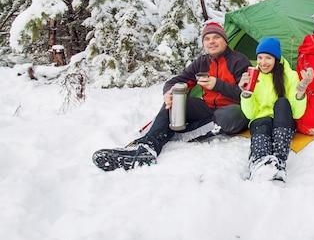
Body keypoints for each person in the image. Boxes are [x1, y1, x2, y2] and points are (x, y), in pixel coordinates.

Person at [92, 22, 251, 171]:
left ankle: (174, 135)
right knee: (176, 99)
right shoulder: (201, 62)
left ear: (225, 40)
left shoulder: (239, 61)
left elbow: (247, 95)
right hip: (207, 108)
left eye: (216, 37)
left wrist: (217, 85)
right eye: (207, 39)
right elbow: (177, 81)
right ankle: (149, 147)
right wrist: (168, 93)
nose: (211, 42)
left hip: (232, 112)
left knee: (232, 113)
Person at [238, 37, 314, 182]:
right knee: (262, 122)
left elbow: (297, 114)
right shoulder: (253, 76)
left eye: (268, 58)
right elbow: (250, 114)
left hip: (283, 123)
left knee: (282, 102)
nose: (263, 62)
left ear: (276, 59)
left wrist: (300, 92)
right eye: (259, 57)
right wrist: (246, 93)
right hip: (261, 123)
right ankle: (259, 163)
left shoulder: (290, 76)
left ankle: (279, 160)